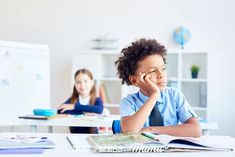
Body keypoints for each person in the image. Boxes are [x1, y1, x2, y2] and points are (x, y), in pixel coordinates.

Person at [115, 38, 201, 137]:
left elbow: (196, 130)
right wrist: (154, 96)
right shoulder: (129, 102)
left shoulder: (174, 95)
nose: (161, 74)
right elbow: (129, 131)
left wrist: (151, 130)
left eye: (163, 69)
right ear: (134, 80)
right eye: (153, 71)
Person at [57, 69, 103, 134]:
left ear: (92, 83)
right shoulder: (72, 100)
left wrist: (74, 107)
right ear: (75, 84)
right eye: (78, 82)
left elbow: (99, 109)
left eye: (85, 81)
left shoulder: (97, 99)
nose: (82, 85)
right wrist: (85, 112)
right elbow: (60, 111)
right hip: (74, 136)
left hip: (92, 137)